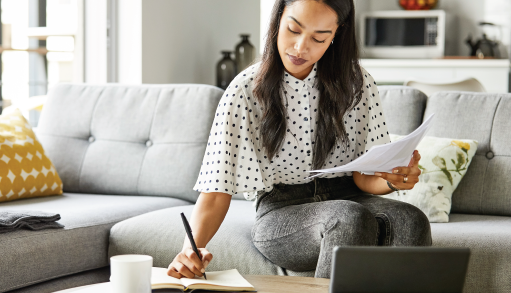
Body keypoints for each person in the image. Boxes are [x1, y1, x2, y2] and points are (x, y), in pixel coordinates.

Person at [167, 0, 432, 279]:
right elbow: (215, 191)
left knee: (410, 220)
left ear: (336, 35)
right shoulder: (244, 91)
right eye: (294, 29)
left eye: (319, 38)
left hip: (350, 195)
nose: (300, 47)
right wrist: (190, 250)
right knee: (348, 219)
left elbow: (364, 177)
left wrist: (392, 179)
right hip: (282, 209)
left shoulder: (358, 83)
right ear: (278, 20)